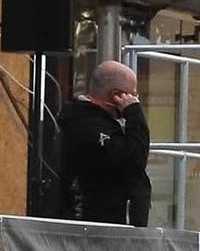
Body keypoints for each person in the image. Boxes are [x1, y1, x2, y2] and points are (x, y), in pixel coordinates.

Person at [55, 60, 151, 226]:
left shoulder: (101, 122)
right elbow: (134, 157)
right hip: (100, 228)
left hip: (116, 228)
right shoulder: (87, 125)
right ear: (117, 96)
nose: (135, 100)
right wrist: (134, 114)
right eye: (132, 95)